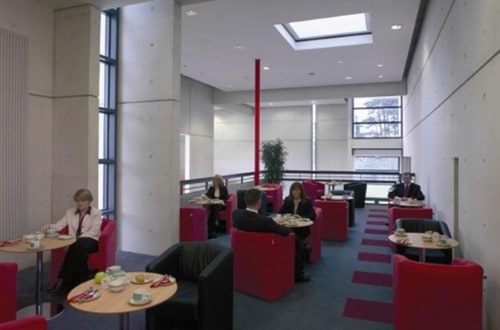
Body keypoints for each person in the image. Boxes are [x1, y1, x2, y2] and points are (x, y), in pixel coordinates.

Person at [232, 188, 310, 282]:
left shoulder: (236, 214)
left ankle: (303, 247)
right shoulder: (265, 221)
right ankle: (298, 275)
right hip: (266, 250)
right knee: (294, 238)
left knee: (298, 241)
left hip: (246, 250)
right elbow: (285, 232)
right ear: (259, 202)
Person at [43, 188, 102, 295]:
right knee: (78, 250)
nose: (79, 203)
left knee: (77, 245)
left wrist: (76, 240)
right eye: (77, 201)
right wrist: (50, 226)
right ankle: (82, 282)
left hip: (91, 240)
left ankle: (62, 280)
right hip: (77, 244)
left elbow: (94, 232)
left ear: (89, 201)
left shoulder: (96, 213)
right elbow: (60, 225)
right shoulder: (70, 212)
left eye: (82, 200)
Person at [280, 182, 316, 257]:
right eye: (293, 190)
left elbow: (313, 215)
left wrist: (301, 217)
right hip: (289, 225)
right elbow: (281, 212)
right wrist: (288, 216)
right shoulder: (287, 200)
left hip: (302, 228)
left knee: (294, 234)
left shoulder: (307, 201)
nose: (295, 192)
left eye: (297, 190)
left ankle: (299, 251)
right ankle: (302, 248)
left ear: (301, 191)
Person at [205, 174, 229, 238]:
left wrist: (220, 201)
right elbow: (207, 195)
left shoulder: (224, 188)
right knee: (213, 209)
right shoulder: (211, 188)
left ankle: (212, 230)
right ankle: (213, 228)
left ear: (220, 181)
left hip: (221, 204)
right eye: (214, 180)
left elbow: (226, 198)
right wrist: (208, 199)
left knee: (213, 210)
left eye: (216, 180)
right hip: (213, 205)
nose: (215, 181)